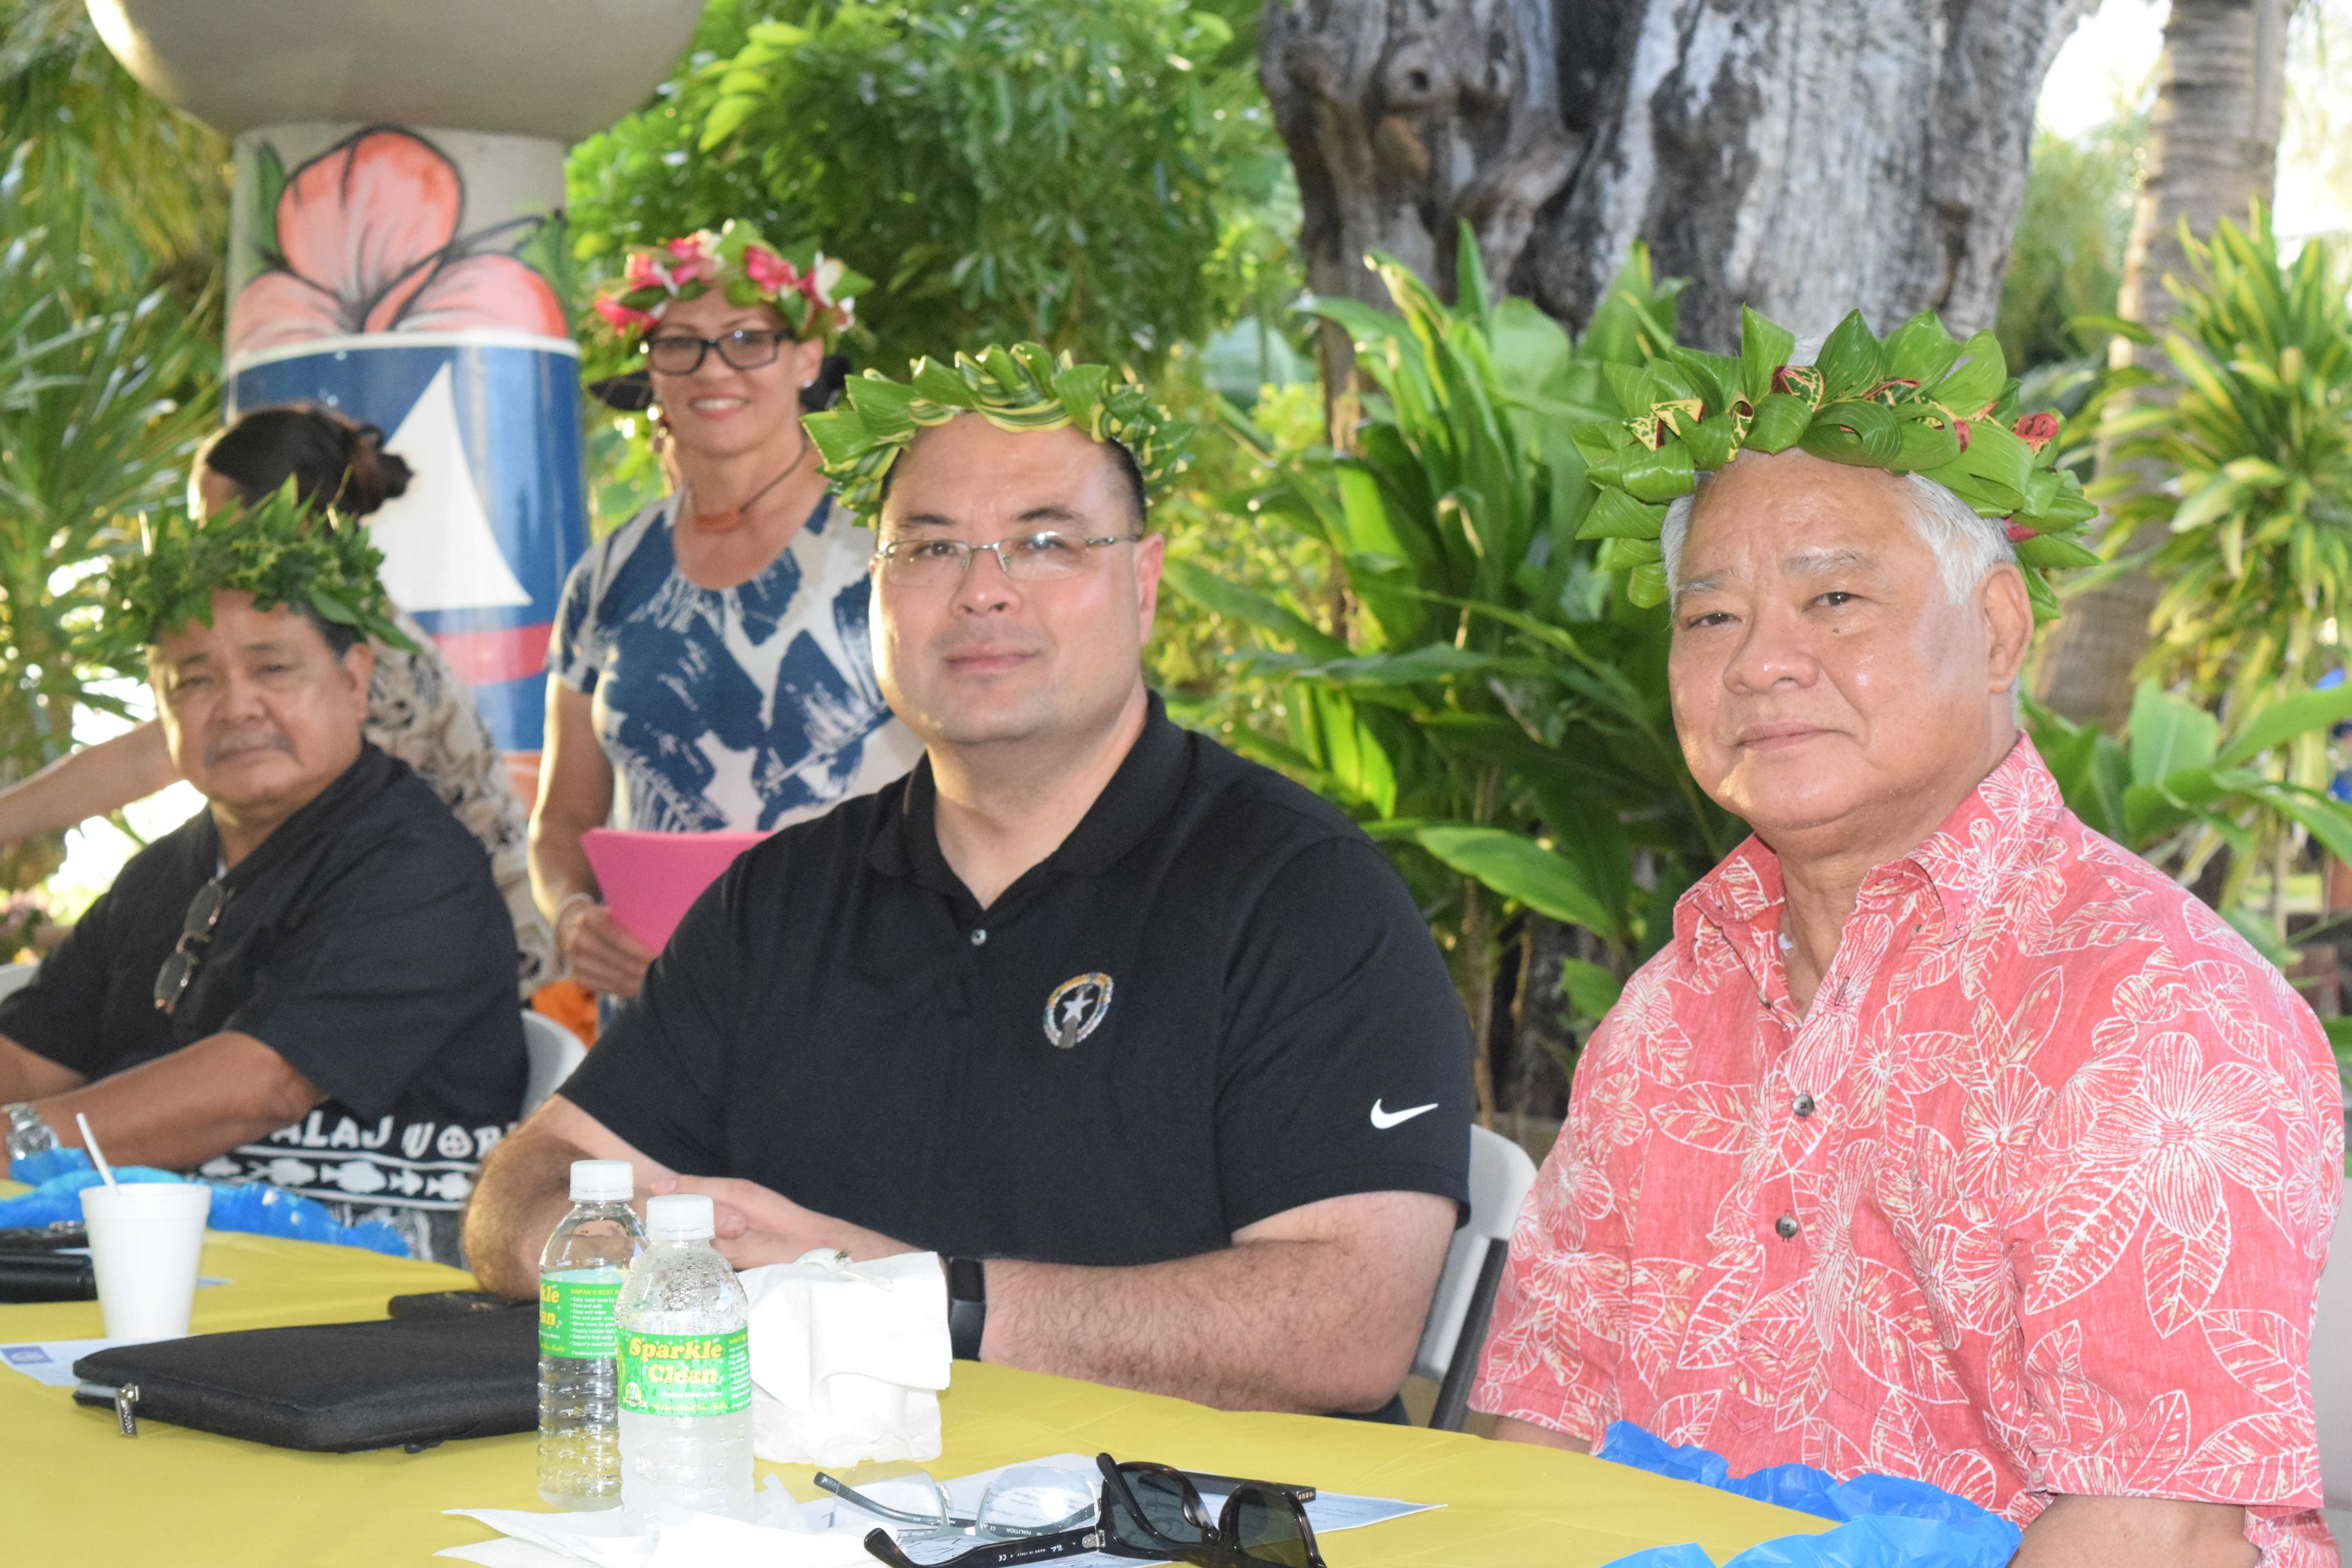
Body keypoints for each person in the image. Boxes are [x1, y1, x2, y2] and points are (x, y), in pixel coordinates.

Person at [1472, 311, 2342, 1565]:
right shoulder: (1670, 1008)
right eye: (1711, 618)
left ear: (1996, 630)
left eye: (1835, 597)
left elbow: (2155, 1531)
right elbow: (1540, 1429)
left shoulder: (2160, 1013)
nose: (1764, 661)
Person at [468, 344, 1472, 1417]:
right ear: (878, 596)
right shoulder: (781, 901)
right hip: (808, 1509)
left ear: (1142, 581)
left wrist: (902, 1302)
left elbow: (1351, 1326)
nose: (983, 591)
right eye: (931, 547)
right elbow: (525, 1185)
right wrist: (622, 1257)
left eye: (1045, 542)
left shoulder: (1301, 897)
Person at [0, 486, 526, 1266]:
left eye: (273, 667)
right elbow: (30, 1056)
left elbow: (264, 1083)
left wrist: (20, 1140)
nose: (237, 704)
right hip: (161, 1254)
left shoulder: (418, 861)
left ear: (355, 679)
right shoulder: (164, 869)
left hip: (374, 1278)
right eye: (194, 680)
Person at [0, 405, 555, 1000]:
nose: (199, 549)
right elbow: (156, 755)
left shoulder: (367, 653)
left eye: (210, 525)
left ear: (284, 523)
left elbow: (151, 761)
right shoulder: (328, 629)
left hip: (469, 971)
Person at [539, 225, 923, 1001]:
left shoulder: (898, 546)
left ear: (808, 357)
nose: (713, 368)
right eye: (679, 343)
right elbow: (561, 818)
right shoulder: (607, 575)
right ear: (650, 365)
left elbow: (988, 783)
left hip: (861, 996)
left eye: (748, 338)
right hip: (660, 1017)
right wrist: (574, 915)